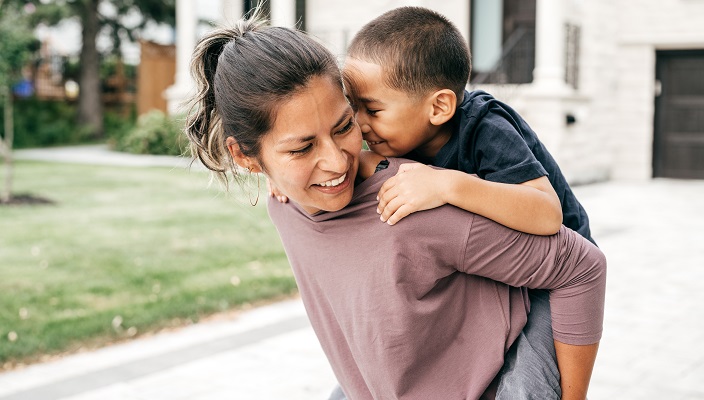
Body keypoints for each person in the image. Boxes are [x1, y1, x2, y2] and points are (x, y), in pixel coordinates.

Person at [185, 12, 606, 400]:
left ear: (438, 107)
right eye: (301, 148)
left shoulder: (476, 140)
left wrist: (449, 185)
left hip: (551, 264)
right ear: (246, 157)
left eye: (347, 125)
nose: (338, 159)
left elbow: (559, 233)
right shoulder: (291, 203)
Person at [339, 6, 598, 399]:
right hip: (490, 270)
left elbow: (547, 213)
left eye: (372, 109)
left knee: (524, 386)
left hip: (552, 278)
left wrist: (448, 185)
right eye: (353, 107)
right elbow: (359, 165)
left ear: (439, 107)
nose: (358, 123)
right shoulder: (397, 135)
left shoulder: (485, 126)